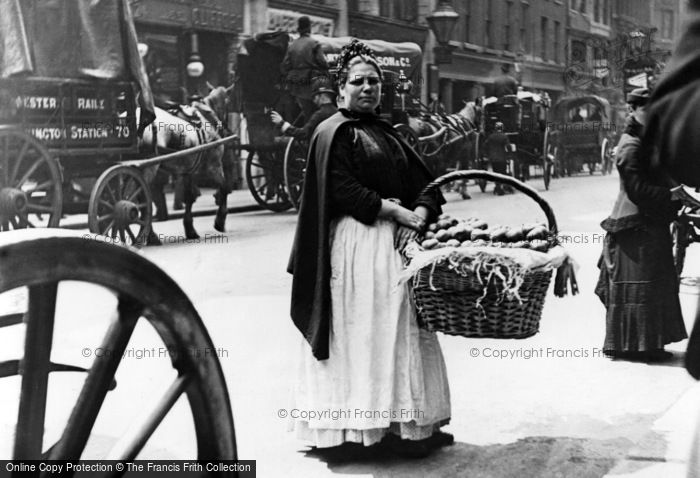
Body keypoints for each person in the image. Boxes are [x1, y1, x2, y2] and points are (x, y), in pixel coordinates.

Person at [287, 39, 452, 458]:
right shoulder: (332, 132)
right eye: (358, 81)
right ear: (340, 89)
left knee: (400, 333)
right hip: (356, 248)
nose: (367, 88)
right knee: (361, 332)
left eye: (374, 81)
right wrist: (394, 212)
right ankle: (353, 432)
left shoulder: (387, 133)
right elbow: (340, 189)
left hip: (397, 249)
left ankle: (405, 427)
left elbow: (426, 185)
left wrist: (418, 211)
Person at [594, 87, 686, 362]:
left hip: (650, 223)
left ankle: (650, 344)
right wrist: (671, 195)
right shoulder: (630, 145)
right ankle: (634, 346)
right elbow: (637, 189)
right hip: (633, 228)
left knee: (656, 283)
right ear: (633, 110)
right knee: (642, 285)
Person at [280, 16, 329, 121]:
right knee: (318, 113)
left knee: (307, 112)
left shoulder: (292, 45)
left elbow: (285, 66)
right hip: (312, 83)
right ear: (309, 28)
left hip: (297, 86)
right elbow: (323, 62)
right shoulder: (314, 43)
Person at [269, 76, 337, 141]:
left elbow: (303, 134)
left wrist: (281, 123)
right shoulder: (338, 113)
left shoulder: (319, 115)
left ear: (320, 96)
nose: (314, 101)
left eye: (314, 97)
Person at [484, 122, 514, 195]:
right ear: (502, 128)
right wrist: (510, 154)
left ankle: (498, 186)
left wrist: (487, 154)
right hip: (502, 158)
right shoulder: (504, 136)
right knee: (502, 172)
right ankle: (503, 186)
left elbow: (485, 145)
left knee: (496, 172)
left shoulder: (491, 136)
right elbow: (508, 146)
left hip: (493, 159)